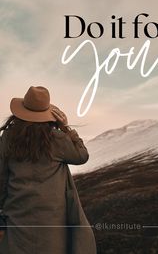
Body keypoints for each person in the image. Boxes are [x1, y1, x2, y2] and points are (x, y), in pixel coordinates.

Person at [0, 86, 97, 254]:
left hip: (17, 213)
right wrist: (66, 128)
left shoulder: (8, 138)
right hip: (53, 218)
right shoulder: (57, 138)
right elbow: (82, 156)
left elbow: (1, 177)